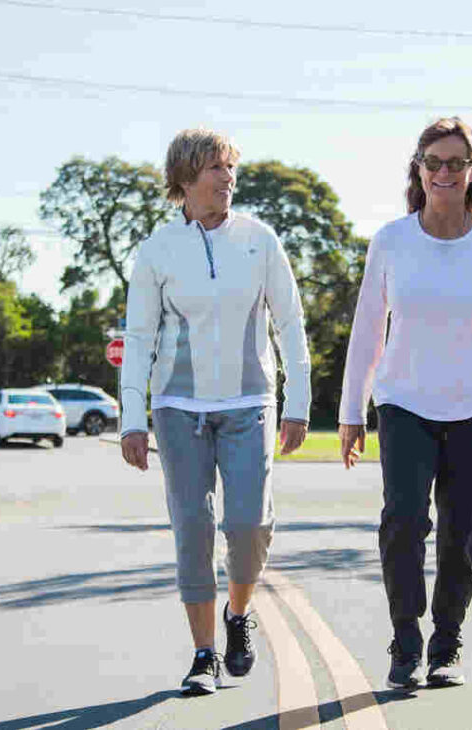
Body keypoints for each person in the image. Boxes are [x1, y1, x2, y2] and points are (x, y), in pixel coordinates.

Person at [338, 117, 472, 689]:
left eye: (457, 162)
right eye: (434, 162)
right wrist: (352, 409)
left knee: (462, 529)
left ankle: (445, 642)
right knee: (403, 519)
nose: (445, 172)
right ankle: (405, 634)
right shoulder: (392, 241)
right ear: (419, 170)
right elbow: (366, 332)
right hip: (402, 399)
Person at [119, 128, 311, 696]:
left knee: (249, 525)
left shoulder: (260, 240)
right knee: (193, 529)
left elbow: (291, 324)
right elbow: (137, 336)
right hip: (178, 409)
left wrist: (298, 402)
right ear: (184, 180)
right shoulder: (156, 250)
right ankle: (204, 654)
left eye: (230, 168)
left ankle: (238, 612)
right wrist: (134, 416)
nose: (227, 178)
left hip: (251, 403)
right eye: (215, 169)